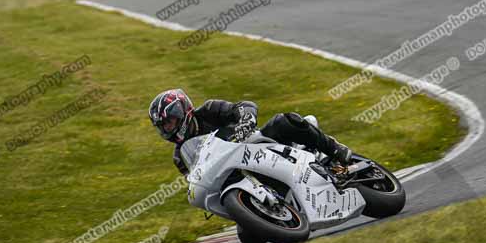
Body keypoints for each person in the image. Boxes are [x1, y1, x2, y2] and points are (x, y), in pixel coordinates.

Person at [147, 89, 352, 176]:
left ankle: (333, 149)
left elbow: (243, 106)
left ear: (183, 111)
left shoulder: (209, 110)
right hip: (236, 175)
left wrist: (246, 119)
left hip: (257, 144)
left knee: (284, 121)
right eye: (164, 125)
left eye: (170, 121)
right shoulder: (180, 156)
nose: (169, 128)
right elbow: (194, 178)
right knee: (250, 239)